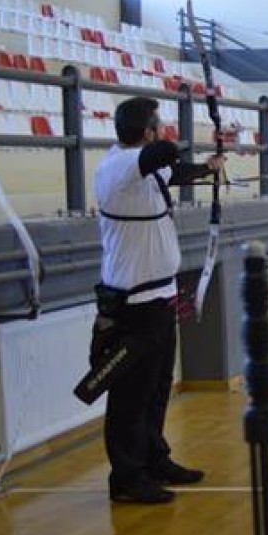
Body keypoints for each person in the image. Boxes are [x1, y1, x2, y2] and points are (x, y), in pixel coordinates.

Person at [89, 96, 221, 504]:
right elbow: (162, 154)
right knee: (131, 391)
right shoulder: (119, 166)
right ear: (147, 131)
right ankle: (127, 477)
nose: (161, 129)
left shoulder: (143, 167)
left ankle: (153, 459)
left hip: (160, 296)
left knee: (158, 384)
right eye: (157, 124)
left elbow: (173, 169)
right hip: (133, 303)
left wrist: (207, 166)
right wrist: (194, 135)